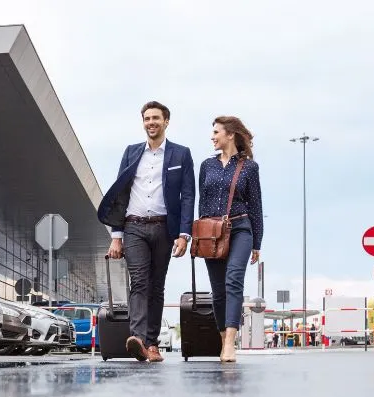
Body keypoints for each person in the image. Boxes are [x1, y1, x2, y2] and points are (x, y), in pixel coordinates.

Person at [96, 101, 196, 363]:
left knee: (157, 286)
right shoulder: (131, 152)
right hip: (134, 226)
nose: (151, 122)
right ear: (143, 122)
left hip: (164, 227)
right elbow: (120, 194)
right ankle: (138, 339)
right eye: (146, 118)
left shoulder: (181, 154)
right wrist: (116, 236)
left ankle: (152, 344)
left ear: (166, 122)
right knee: (139, 281)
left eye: (156, 118)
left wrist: (184, 234)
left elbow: (188, 196)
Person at [197, 116, 264, 362]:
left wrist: (258, 242)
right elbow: (201, 203)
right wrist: (200, 235)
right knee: (217, 291)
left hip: (240, 229)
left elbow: (256, 205)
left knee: (233, 279)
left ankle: (229, 343)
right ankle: (222, 334)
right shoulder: (206, 165)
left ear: (230, 134)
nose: (212, 137)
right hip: (211, 233)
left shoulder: (249, 167)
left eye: (216, 132)